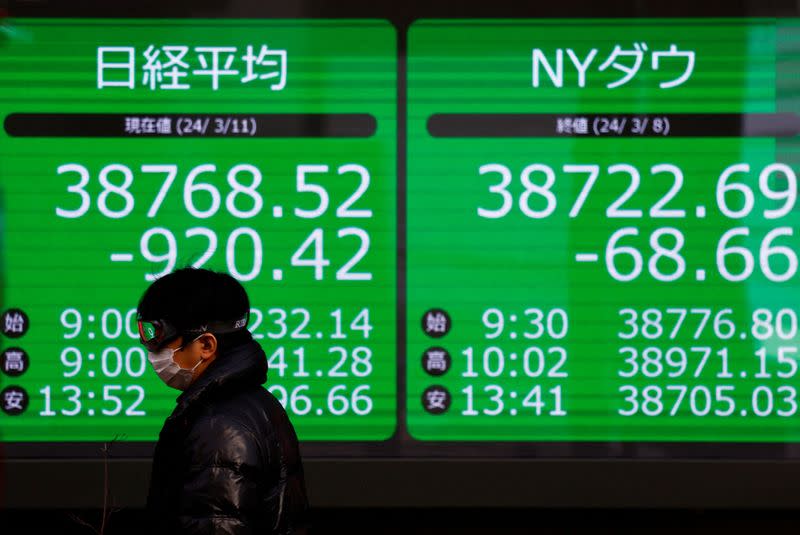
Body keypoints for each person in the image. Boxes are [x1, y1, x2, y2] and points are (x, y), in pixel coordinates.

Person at [137, 267, 309, 534]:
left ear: (206, 345)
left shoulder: (218, 429)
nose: (151, 350)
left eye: (159, 339)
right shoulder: (254, 404)